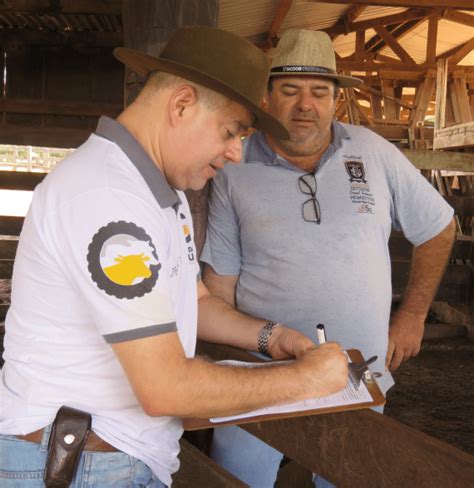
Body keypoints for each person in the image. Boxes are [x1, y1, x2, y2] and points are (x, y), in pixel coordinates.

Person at [0, 27, 349, 488]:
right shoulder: (108, 199)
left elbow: (195, 301)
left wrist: (271, 337)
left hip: (100, 458)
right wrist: (306, 380)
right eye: (230, 131)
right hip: (80, 465)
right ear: (181, 104)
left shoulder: (162, 192)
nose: (236, 153)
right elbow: (164, 388)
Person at [201, 29, 455, 487]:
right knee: (235, 478)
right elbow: (220, 283)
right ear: (267, 95)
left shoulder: (374, 153)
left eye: (319, 92)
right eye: (291, 90)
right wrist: (222, 359)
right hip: (261, 374)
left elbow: (438, 225)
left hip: (358, 371)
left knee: (349, 474)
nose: (305, 105)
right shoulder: (233, 167)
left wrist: (413, 315)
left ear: (336, 99)